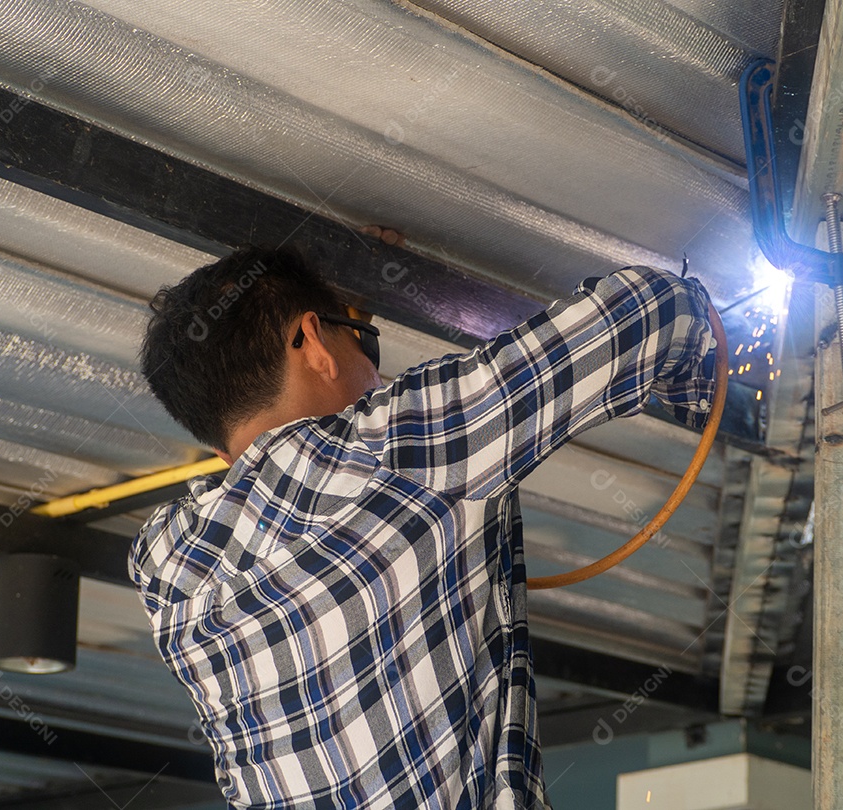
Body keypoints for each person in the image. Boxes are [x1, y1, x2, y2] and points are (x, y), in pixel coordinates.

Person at [129, 244, 716, 809]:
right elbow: (649, 310)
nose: (376, 379)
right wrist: (703, 383)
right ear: (310, 339)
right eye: (362, 342)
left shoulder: (166, 562)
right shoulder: (392, 447)